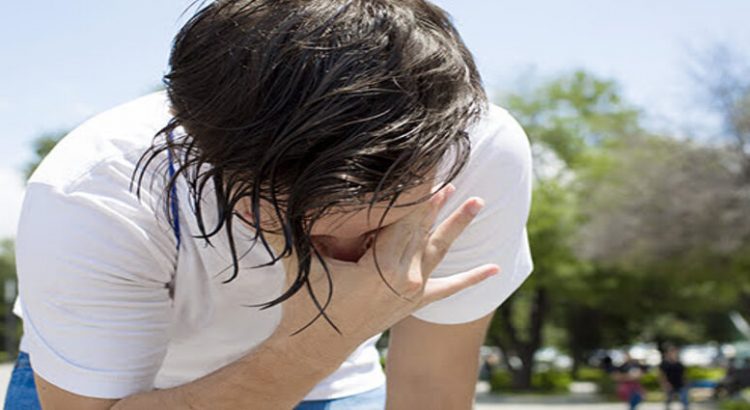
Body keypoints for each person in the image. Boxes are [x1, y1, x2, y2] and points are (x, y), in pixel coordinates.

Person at [5, 0, 534, 409]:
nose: (354, 265)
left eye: (384, 227)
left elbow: (429, 386)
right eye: (307, 233)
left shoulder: (479, 156)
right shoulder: (96, 194)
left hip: (336, 385)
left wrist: (324, 352)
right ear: (203, 160)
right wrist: (316, 342)